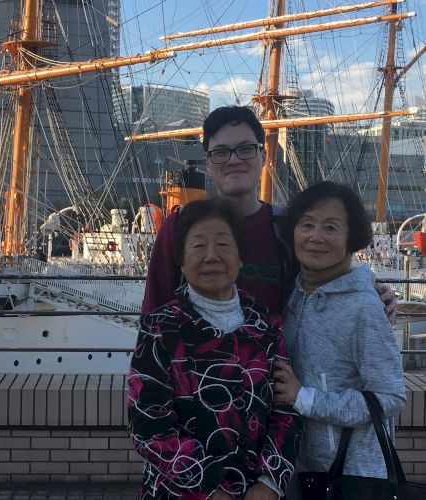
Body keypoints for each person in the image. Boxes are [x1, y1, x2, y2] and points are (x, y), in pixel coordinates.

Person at [142, 105, 396, 321]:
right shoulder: (180, 226)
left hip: (276, 372)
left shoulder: (289, 227)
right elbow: (154, 309)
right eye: (220, 152)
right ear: (207, 163)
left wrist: (374, 293)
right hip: (198, 373)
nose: (233, 160)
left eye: (245, 149)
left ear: (263, 156)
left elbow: (329, 279)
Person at [129, 198, 303, 500]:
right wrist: (207, 487)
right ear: (181, 260)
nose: (211, 256)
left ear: (240, 259)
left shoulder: (265, 326)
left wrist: (270, 483)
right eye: (198, 246)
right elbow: (148, 426)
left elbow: (285, 411)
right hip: (179, 492)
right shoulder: (161, 328)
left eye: (224, 245)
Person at [273, 182, 406, 499]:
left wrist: (304, 398)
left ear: (351, 237)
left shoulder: (364, 307)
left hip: (353, 477)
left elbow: (390, 397)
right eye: (306, 224)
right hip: (304, 469)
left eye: (330, 227)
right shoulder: (295, 292)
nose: (315, 236)